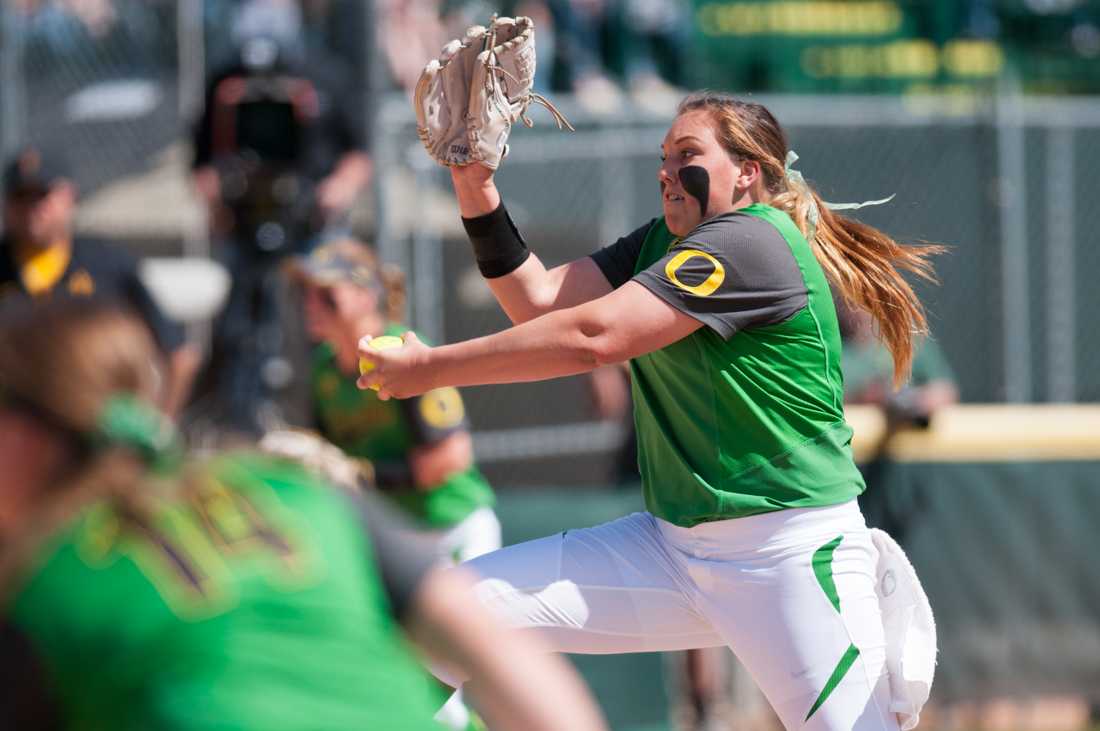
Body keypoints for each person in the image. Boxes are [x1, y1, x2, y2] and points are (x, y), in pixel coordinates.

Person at [359, 91, 942, 731]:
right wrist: (474, 186)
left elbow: (593, 339)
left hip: (787, 554)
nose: (666, 168)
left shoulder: (752, 241)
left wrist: (431, 367)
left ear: (747, 171)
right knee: (452, 616)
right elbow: (539, 301)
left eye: (688, 153)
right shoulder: (666, 241)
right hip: (672, 549)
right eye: (663, 155)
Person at [0, 299, 608, 731]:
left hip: (456, 521)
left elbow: (446, 463)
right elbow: (500, 652)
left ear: (31, 433)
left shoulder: (44, 586)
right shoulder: (289, 490)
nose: (313, 307)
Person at [288, 237, 501, 731]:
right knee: (416, 688)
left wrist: (355, 473)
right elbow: (328, 459)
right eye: (308, 294)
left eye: (326, 294)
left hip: (453, 533)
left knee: (454, 681)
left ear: (364, 297)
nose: (311, 305)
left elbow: (450, 458)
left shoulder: (404, 351)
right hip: (398, 540)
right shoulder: (323, 370)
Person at [0, 145, 199, 418]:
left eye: (41, 196)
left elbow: (181, 353)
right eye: (20, 197)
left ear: (68, 196)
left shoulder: (106, 263)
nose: (32, 209)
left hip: (94, 422)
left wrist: (161, 426)